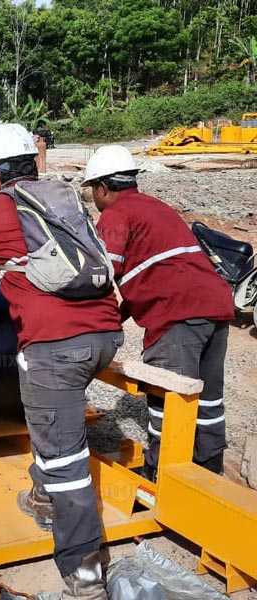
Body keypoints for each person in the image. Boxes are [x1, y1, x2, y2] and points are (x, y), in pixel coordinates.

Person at [0, 123, 123, 600]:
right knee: (52, 422)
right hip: (106, 335)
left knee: (67, 459)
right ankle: (41, 497)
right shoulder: (63, 197)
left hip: (55, 345)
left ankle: (84, 569)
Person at [82, 145, 234, 482]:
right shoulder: (156, 209)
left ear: (103, 188)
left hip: (177, 315)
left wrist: (84, 324)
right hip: (215, 309)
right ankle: (210, 475)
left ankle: (161, 482)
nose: (94, 197)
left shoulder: (117, 215)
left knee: (170, 401)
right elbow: (149, 276)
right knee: (206, 400)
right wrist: (112, 320)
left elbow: (101, 276)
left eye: (93, 189)